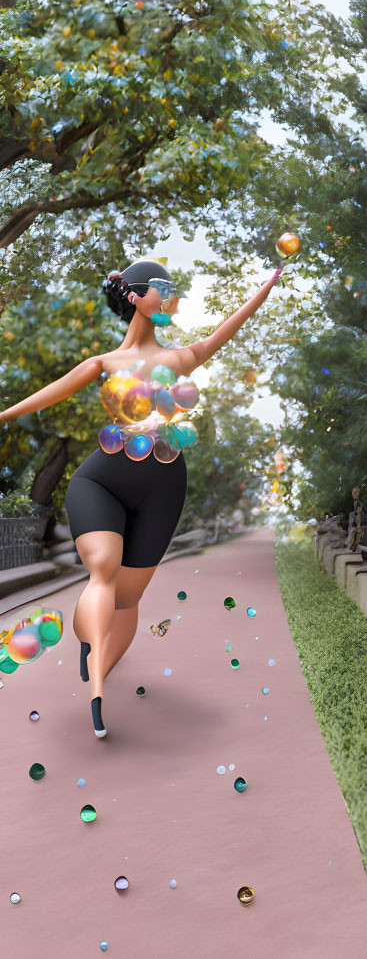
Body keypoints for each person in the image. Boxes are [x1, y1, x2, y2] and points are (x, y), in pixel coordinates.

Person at [0, 258, 282, 738]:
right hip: (103, 478)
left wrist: (267, 285)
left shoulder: (179, 359)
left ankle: (97, 661)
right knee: (104, 569)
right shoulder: (104, 364)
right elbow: (51, 393)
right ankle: (95, 694)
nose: (170, 296)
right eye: (161, 287)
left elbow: (226, 330)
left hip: (164, 482)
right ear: (134, 297)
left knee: (128, 599)